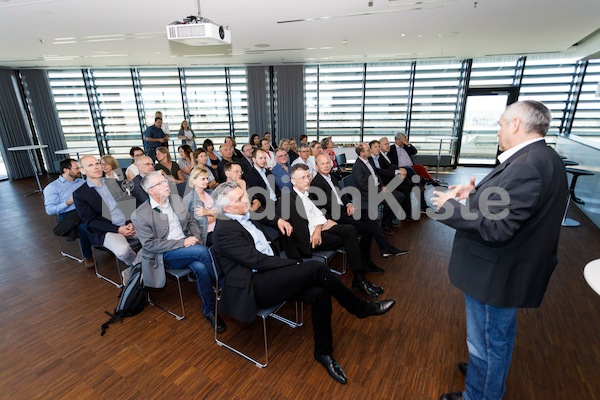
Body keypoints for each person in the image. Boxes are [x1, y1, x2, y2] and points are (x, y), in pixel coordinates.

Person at [431, 101, 568, 400]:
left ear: (516, 124)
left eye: (501, 124)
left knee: (487, 343)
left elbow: (498, 227)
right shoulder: (541, 158)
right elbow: (510, 205)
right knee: (498, 338)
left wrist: (450, 207)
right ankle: (486, 376)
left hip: (497, 273)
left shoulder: (528, 166)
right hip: (507, 270)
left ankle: (480, 394)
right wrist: (474, 193)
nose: (498, 131)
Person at [210, 181, 395, 384]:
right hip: (253, 285)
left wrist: (279, 220)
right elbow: (257, 261)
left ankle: (323, 353)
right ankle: (360, 307)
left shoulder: (243, 214)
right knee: (316, 268)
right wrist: (293, 265)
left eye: (244, 195)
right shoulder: (224, 229)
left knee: (319, 294)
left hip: (269, 275)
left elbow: (266, 215)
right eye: (239, 199)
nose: (246, 200)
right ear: (226, 208)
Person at [132, 171, 224, 332]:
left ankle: (210, 311)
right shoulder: (140, 214)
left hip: (188, 246)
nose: (166, 184)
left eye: (164, 181)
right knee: (202, 252)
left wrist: (195, 237)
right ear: (151, 191)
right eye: (160, 184)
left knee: (201, 268)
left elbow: (191, 221)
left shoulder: (175, 200)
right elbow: (150, 245)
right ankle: (225, 287)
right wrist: (183, 242)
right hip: (165, 254)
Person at [280, 164, 384, 298]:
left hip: (318, 231)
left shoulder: (307, 193)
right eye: (302, 178)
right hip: (309, 241)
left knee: (350, 230)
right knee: (350, 236)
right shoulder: (288, 200)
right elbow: (296, 229)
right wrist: (319, 228)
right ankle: (360, 279)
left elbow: (318, 215)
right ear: (293, 181)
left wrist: (319, 227)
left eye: (308, 176)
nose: (307, 180)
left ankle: (359, 278)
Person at [310, 153, 408, 262]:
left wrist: (349, 204)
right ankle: (367, 258)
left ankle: (383, 249)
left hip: (344, 209)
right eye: (322, 163)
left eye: (328, 162)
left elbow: (342, 194)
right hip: (334, 215)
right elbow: (329, 205)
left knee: (370, 218)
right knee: (367, 228)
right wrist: (348, 209)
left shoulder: (332, 177)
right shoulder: (316, 183)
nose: (326, 165)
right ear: (316, 166)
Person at [73, 155, 138, 271]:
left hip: (128, 224)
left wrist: (130, 222)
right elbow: (91, 221)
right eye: (90, 165)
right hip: (107, 230)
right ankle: (137, 265)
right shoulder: (80, 194)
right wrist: (118, 229)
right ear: (82, 170)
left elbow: (128, 205)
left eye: (97, 163)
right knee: (122, 251)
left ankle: (151, 262)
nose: (96, 167)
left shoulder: (115, 183)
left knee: (156, 235)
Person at [43, 158, 94, 267]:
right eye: (76, 168)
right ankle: (88, 256)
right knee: (86, 228)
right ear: (66, 170)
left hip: (84, 209)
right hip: (68, 215)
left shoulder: (82, 181)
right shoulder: (52, 188)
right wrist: (68, 202)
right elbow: (50, 210)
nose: (79, 170)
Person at [352, 143, 405, 234]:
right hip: (368, 193)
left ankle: (388, 220)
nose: (370, 151)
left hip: (378, 188)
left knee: (400, 196)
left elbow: (376, 175)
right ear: (362, 153)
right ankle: (385, 225)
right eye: (368, 150)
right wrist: (379, 190)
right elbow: (363, 185)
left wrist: (382, 186)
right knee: (392, 200)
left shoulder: (368, 161)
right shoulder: (358, 166)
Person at [183, 167, 217, 247]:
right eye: (203, 179)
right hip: (206, 234)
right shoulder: (189, 199)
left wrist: (208, 212)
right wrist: (215, 214)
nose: (207, 181)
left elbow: (222, 211)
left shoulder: (211, 193)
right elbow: (188, 222)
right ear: (194, 181)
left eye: (207, 178)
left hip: (219, 228)